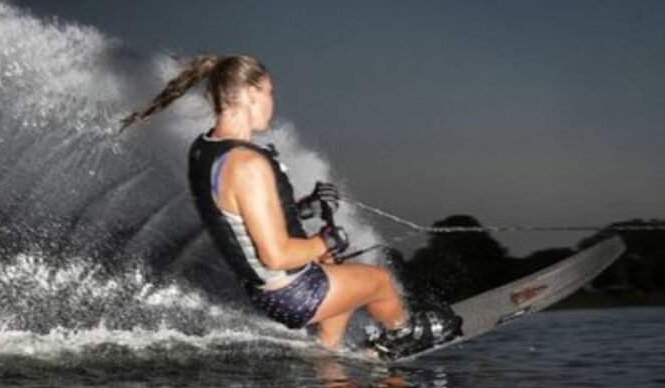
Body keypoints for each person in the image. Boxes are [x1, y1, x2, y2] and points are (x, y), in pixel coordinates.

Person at [120, 54, 460, 358]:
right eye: (270, 92)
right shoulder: (247, 165)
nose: (272, 102)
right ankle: (403, 336)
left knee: (340, 273)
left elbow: (241, 215)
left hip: (267, 289)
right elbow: (276, 255)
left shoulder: (205, 148)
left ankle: (328, 363)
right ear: (252, 94)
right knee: (379, 282)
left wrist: (305, 208)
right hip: (291, 291)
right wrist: (326, 239)